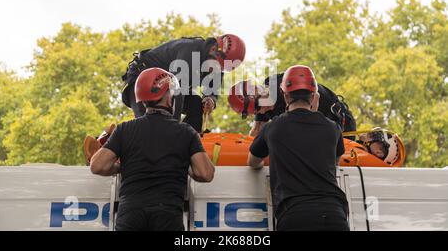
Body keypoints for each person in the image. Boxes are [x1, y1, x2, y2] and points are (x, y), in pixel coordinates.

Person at [90, 67, 215, 231]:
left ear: (141, 99)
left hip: (130, 213)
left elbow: (97, 166)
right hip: (167, 215)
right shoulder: (186, 132)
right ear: (169, 97)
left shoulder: (124, 130)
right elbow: (206, 173)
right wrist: (184, 166)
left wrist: (122, 166)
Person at [247, 65, 349, 231]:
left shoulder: (273, 128)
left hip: (295, 214)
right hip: (335, 214)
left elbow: (252, 161)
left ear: (285, 95)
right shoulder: (333, 128)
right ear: (314, 95)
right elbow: (333, 165)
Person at [121, 34, 246, 133]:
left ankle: (187, 142)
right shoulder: (190, 52)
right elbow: (176, 92)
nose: (215, 70)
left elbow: (212, 89)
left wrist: (210, 99)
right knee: (151, 127)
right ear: (213, 49)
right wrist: (173, 129)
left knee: (197, 106)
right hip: (143, 80)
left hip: (169, 88)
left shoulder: (216, 62)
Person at [228, 72, 356, 137]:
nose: (261, 112)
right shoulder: (264, 105)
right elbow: (256, 132)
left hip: (341, 124)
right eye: (256, 112)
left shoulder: (286, 85)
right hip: (321, 130)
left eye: (258, 108)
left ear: (258, 91)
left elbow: (314, 100)